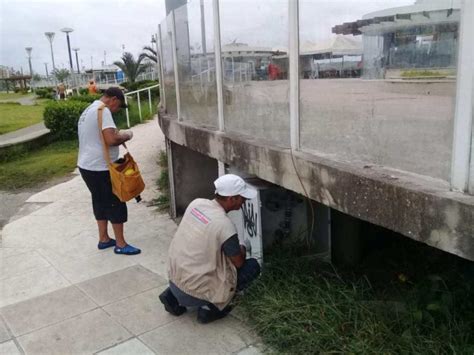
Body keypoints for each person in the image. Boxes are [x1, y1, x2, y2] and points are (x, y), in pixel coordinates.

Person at [159, 174, 261, 324]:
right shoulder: (224, 225)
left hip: (175, 280)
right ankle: (210, 309)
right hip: (196, 293)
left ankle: (172, 296)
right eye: (242, 198)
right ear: (231, 198)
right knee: (252, 266)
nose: (244, 202)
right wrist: (243, 248)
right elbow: (239, 263)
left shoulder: (197, 204)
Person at [77, 87, 141, 255]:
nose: (117, 109)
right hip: (101, 168)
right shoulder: (103, 111)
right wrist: (127, 135)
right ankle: (121, 244)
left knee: (99, 201)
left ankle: (104, 239)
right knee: (115, 203)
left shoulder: (89, 110)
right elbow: (111, 139)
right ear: (113, 99)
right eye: (118, 105)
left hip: (87, 166)